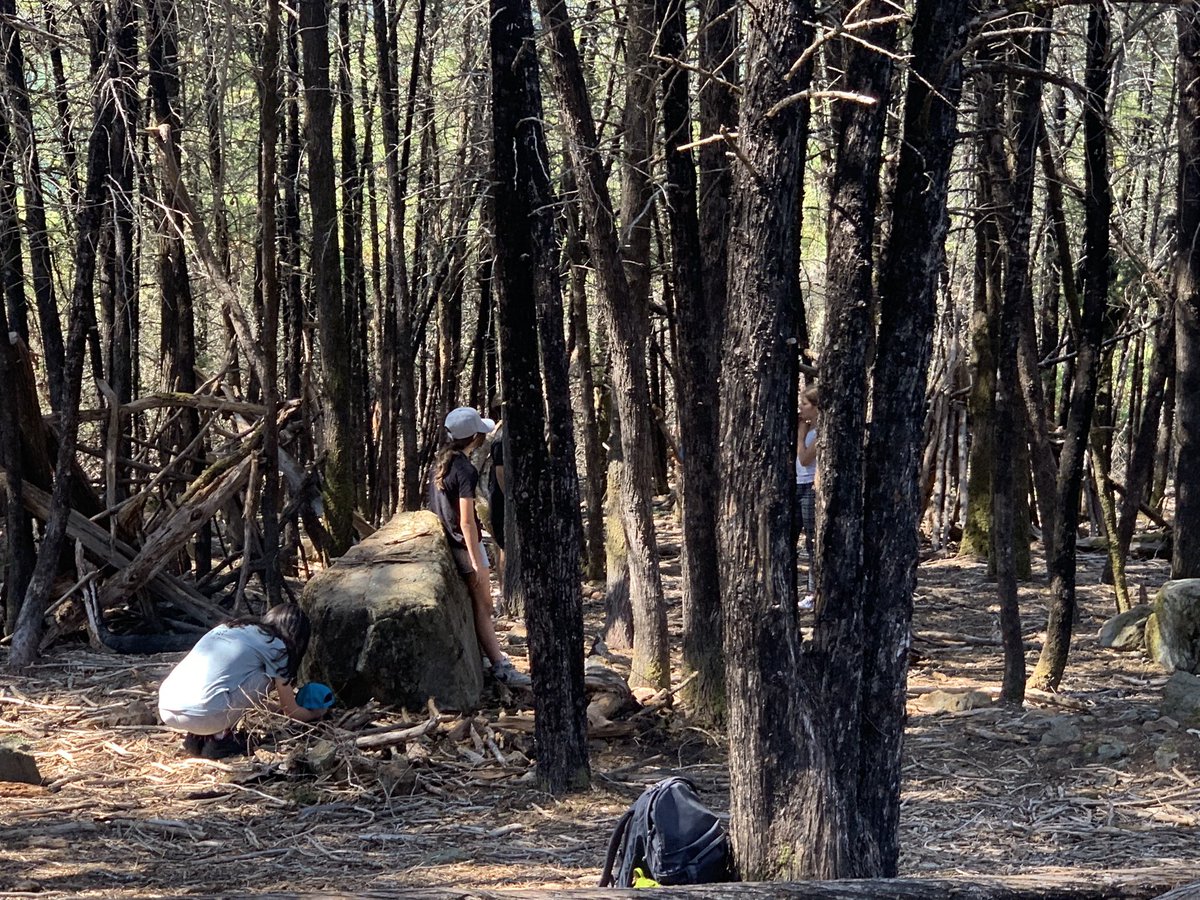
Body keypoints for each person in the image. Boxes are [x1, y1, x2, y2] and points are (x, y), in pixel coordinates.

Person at [428, 406, 529, 687]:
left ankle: (485, 657)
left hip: (449, 543)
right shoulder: (465, 470)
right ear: (474, 437)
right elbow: (467, 521)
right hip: (465, 546)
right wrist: (475, 560)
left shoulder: (440, 464)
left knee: (479, 607)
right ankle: (500, 666)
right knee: (483, 607)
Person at [158, 603, 326, 758]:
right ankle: (220, 738)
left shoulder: (230, 628)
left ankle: (198, 736)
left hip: (167, 707)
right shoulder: (276, 646)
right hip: (204, 714)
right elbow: (292, 711)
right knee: (268, 676)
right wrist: (315, 713)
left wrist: (275, 708)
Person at [796, 385, 820, 611]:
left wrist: (801, 434)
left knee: (813, 542)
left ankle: (813, 592)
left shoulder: (819, 431)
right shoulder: (809, 428)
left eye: (804, 404)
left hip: (810, 488)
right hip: (796, 486)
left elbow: (804, 459)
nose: (801, 409)